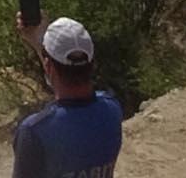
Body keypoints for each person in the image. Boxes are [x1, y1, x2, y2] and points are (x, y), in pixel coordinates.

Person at [11, 12, 124, 178]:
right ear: (92, 64)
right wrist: (39, 43)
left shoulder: (34, 131)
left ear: (48, 66)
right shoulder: (112, 109)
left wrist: (40, 43)